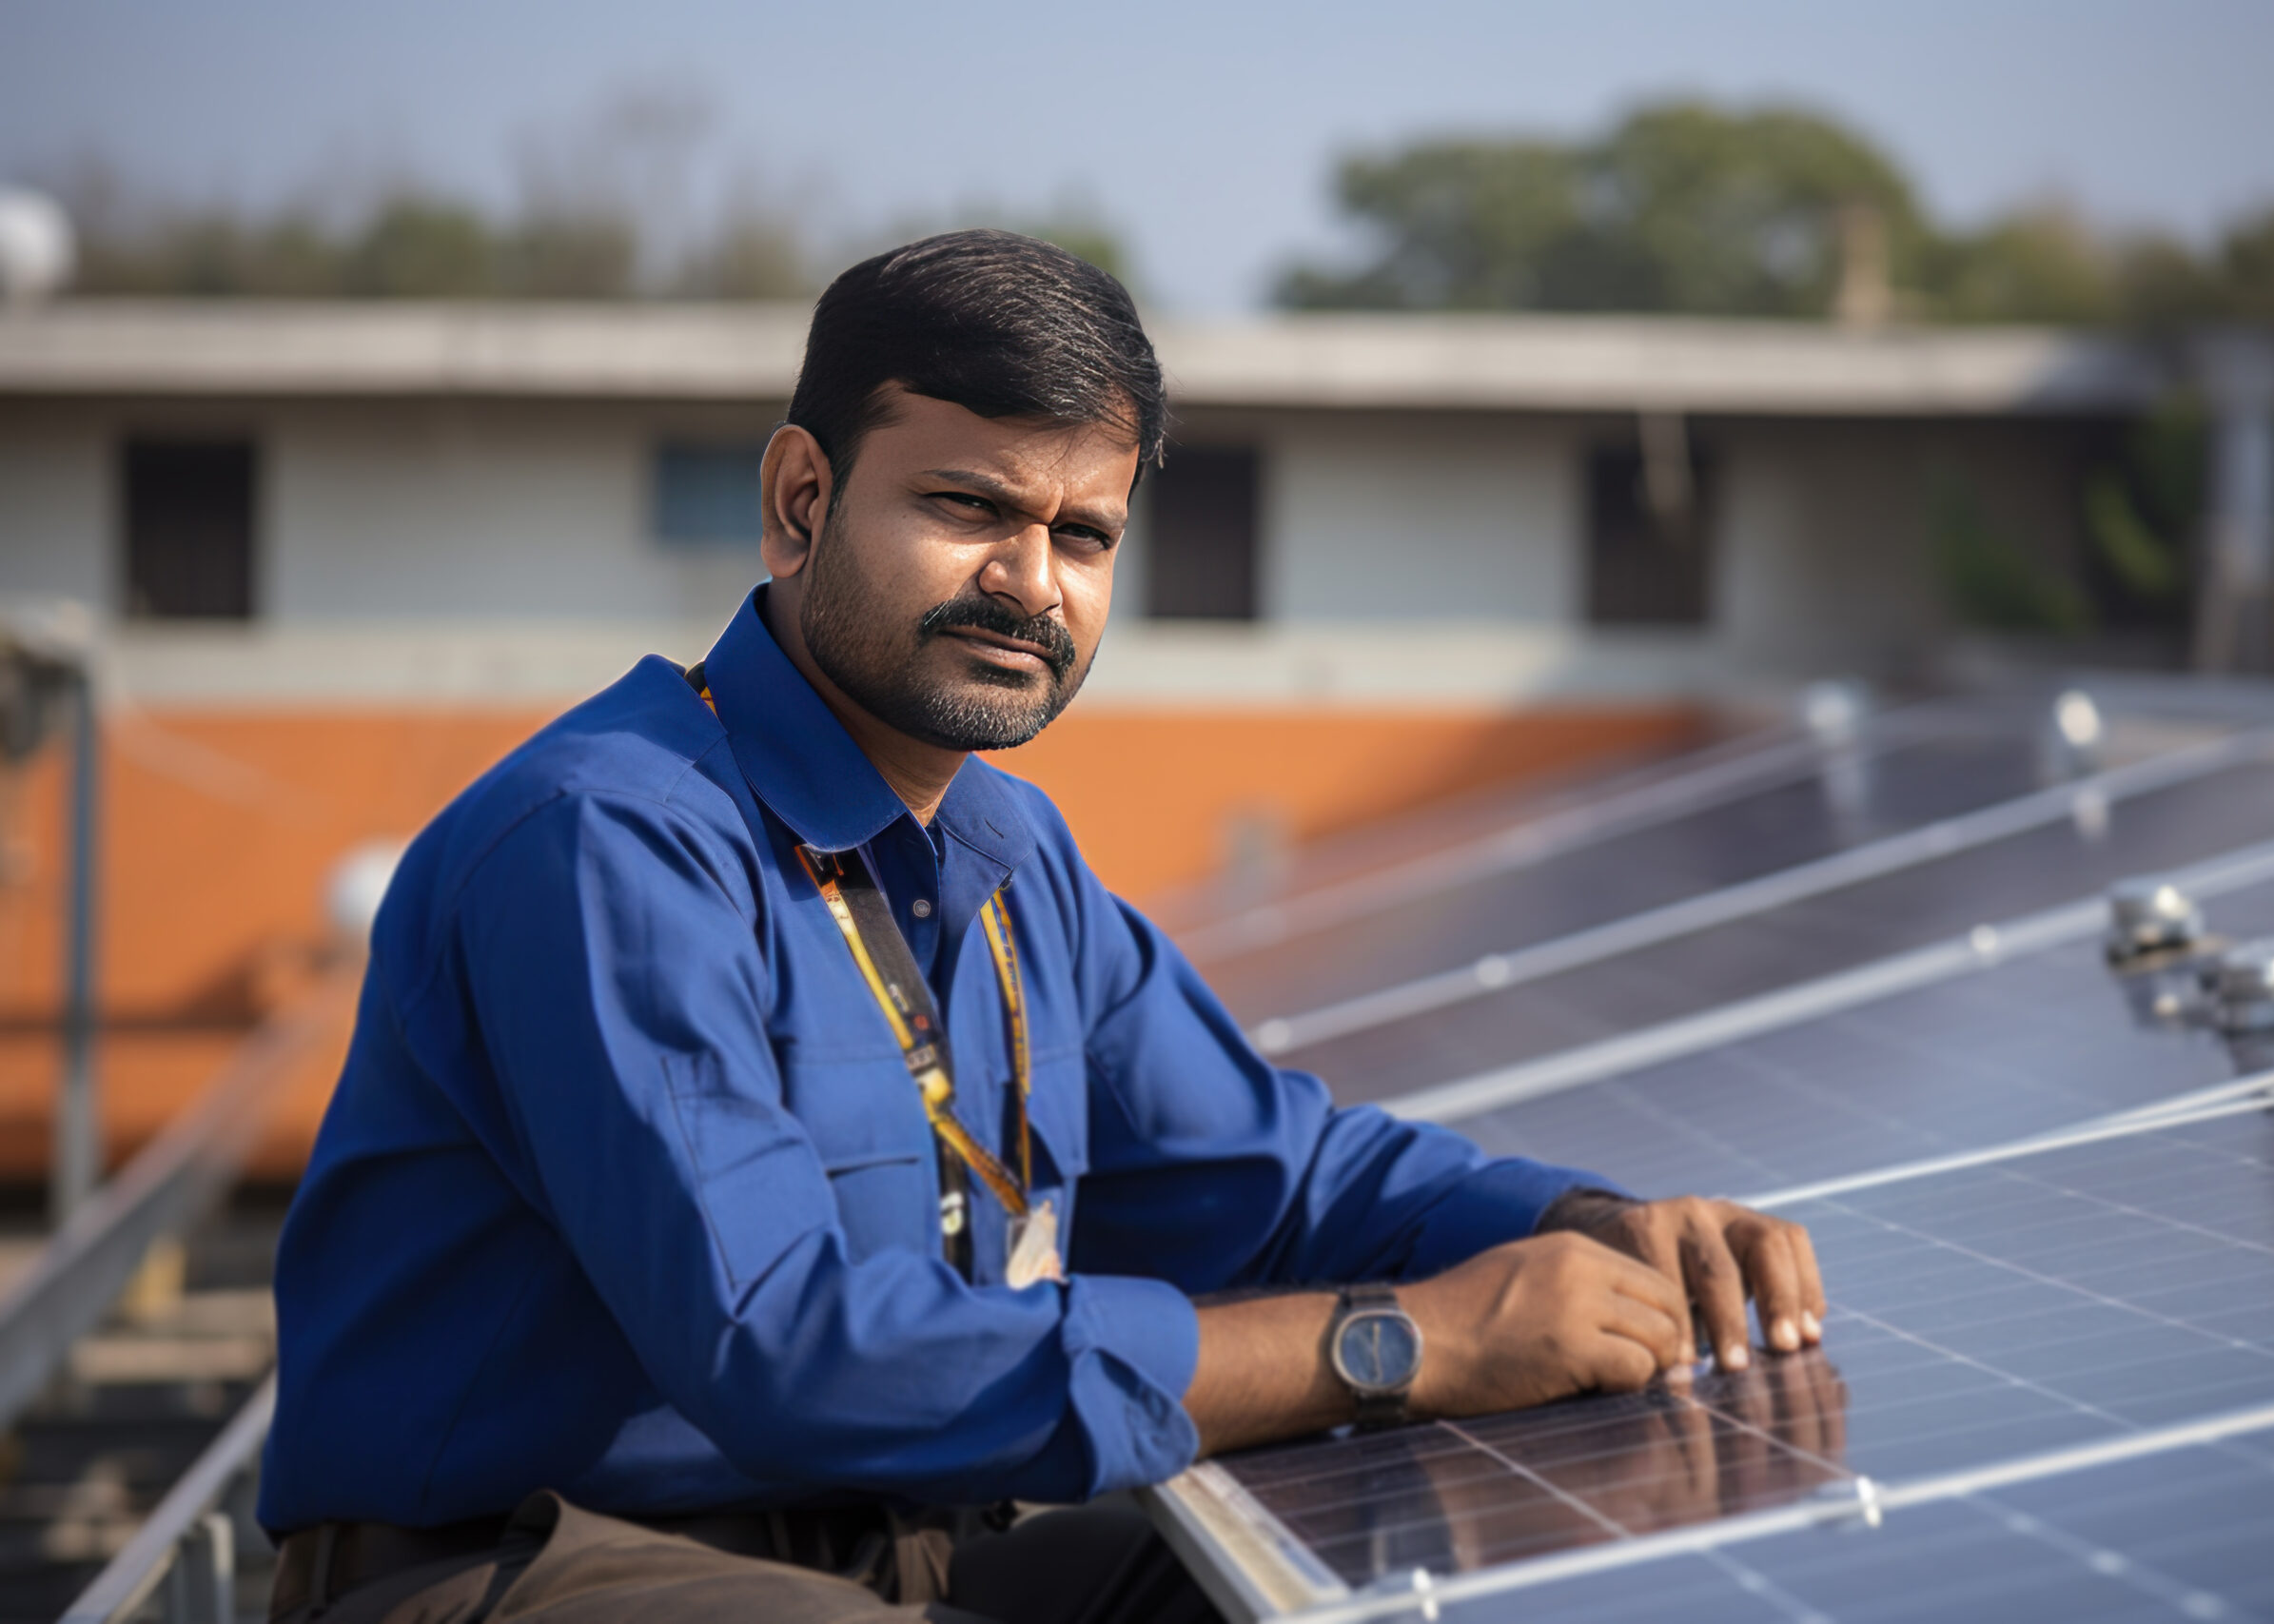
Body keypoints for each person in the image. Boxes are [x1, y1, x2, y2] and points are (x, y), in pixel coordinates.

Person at [259, 229, 1826, 1624]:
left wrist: (1586, 1229)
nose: (1031, 584)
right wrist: (1400, 1344)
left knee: (1392, 1561)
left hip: (881, 1558)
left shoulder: (1009, 856)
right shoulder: (610, 842)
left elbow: (1275, 1185)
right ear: (800, 502)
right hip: (522, 1569)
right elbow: (794, 1352)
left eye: (1083, 536)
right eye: (966, 507)